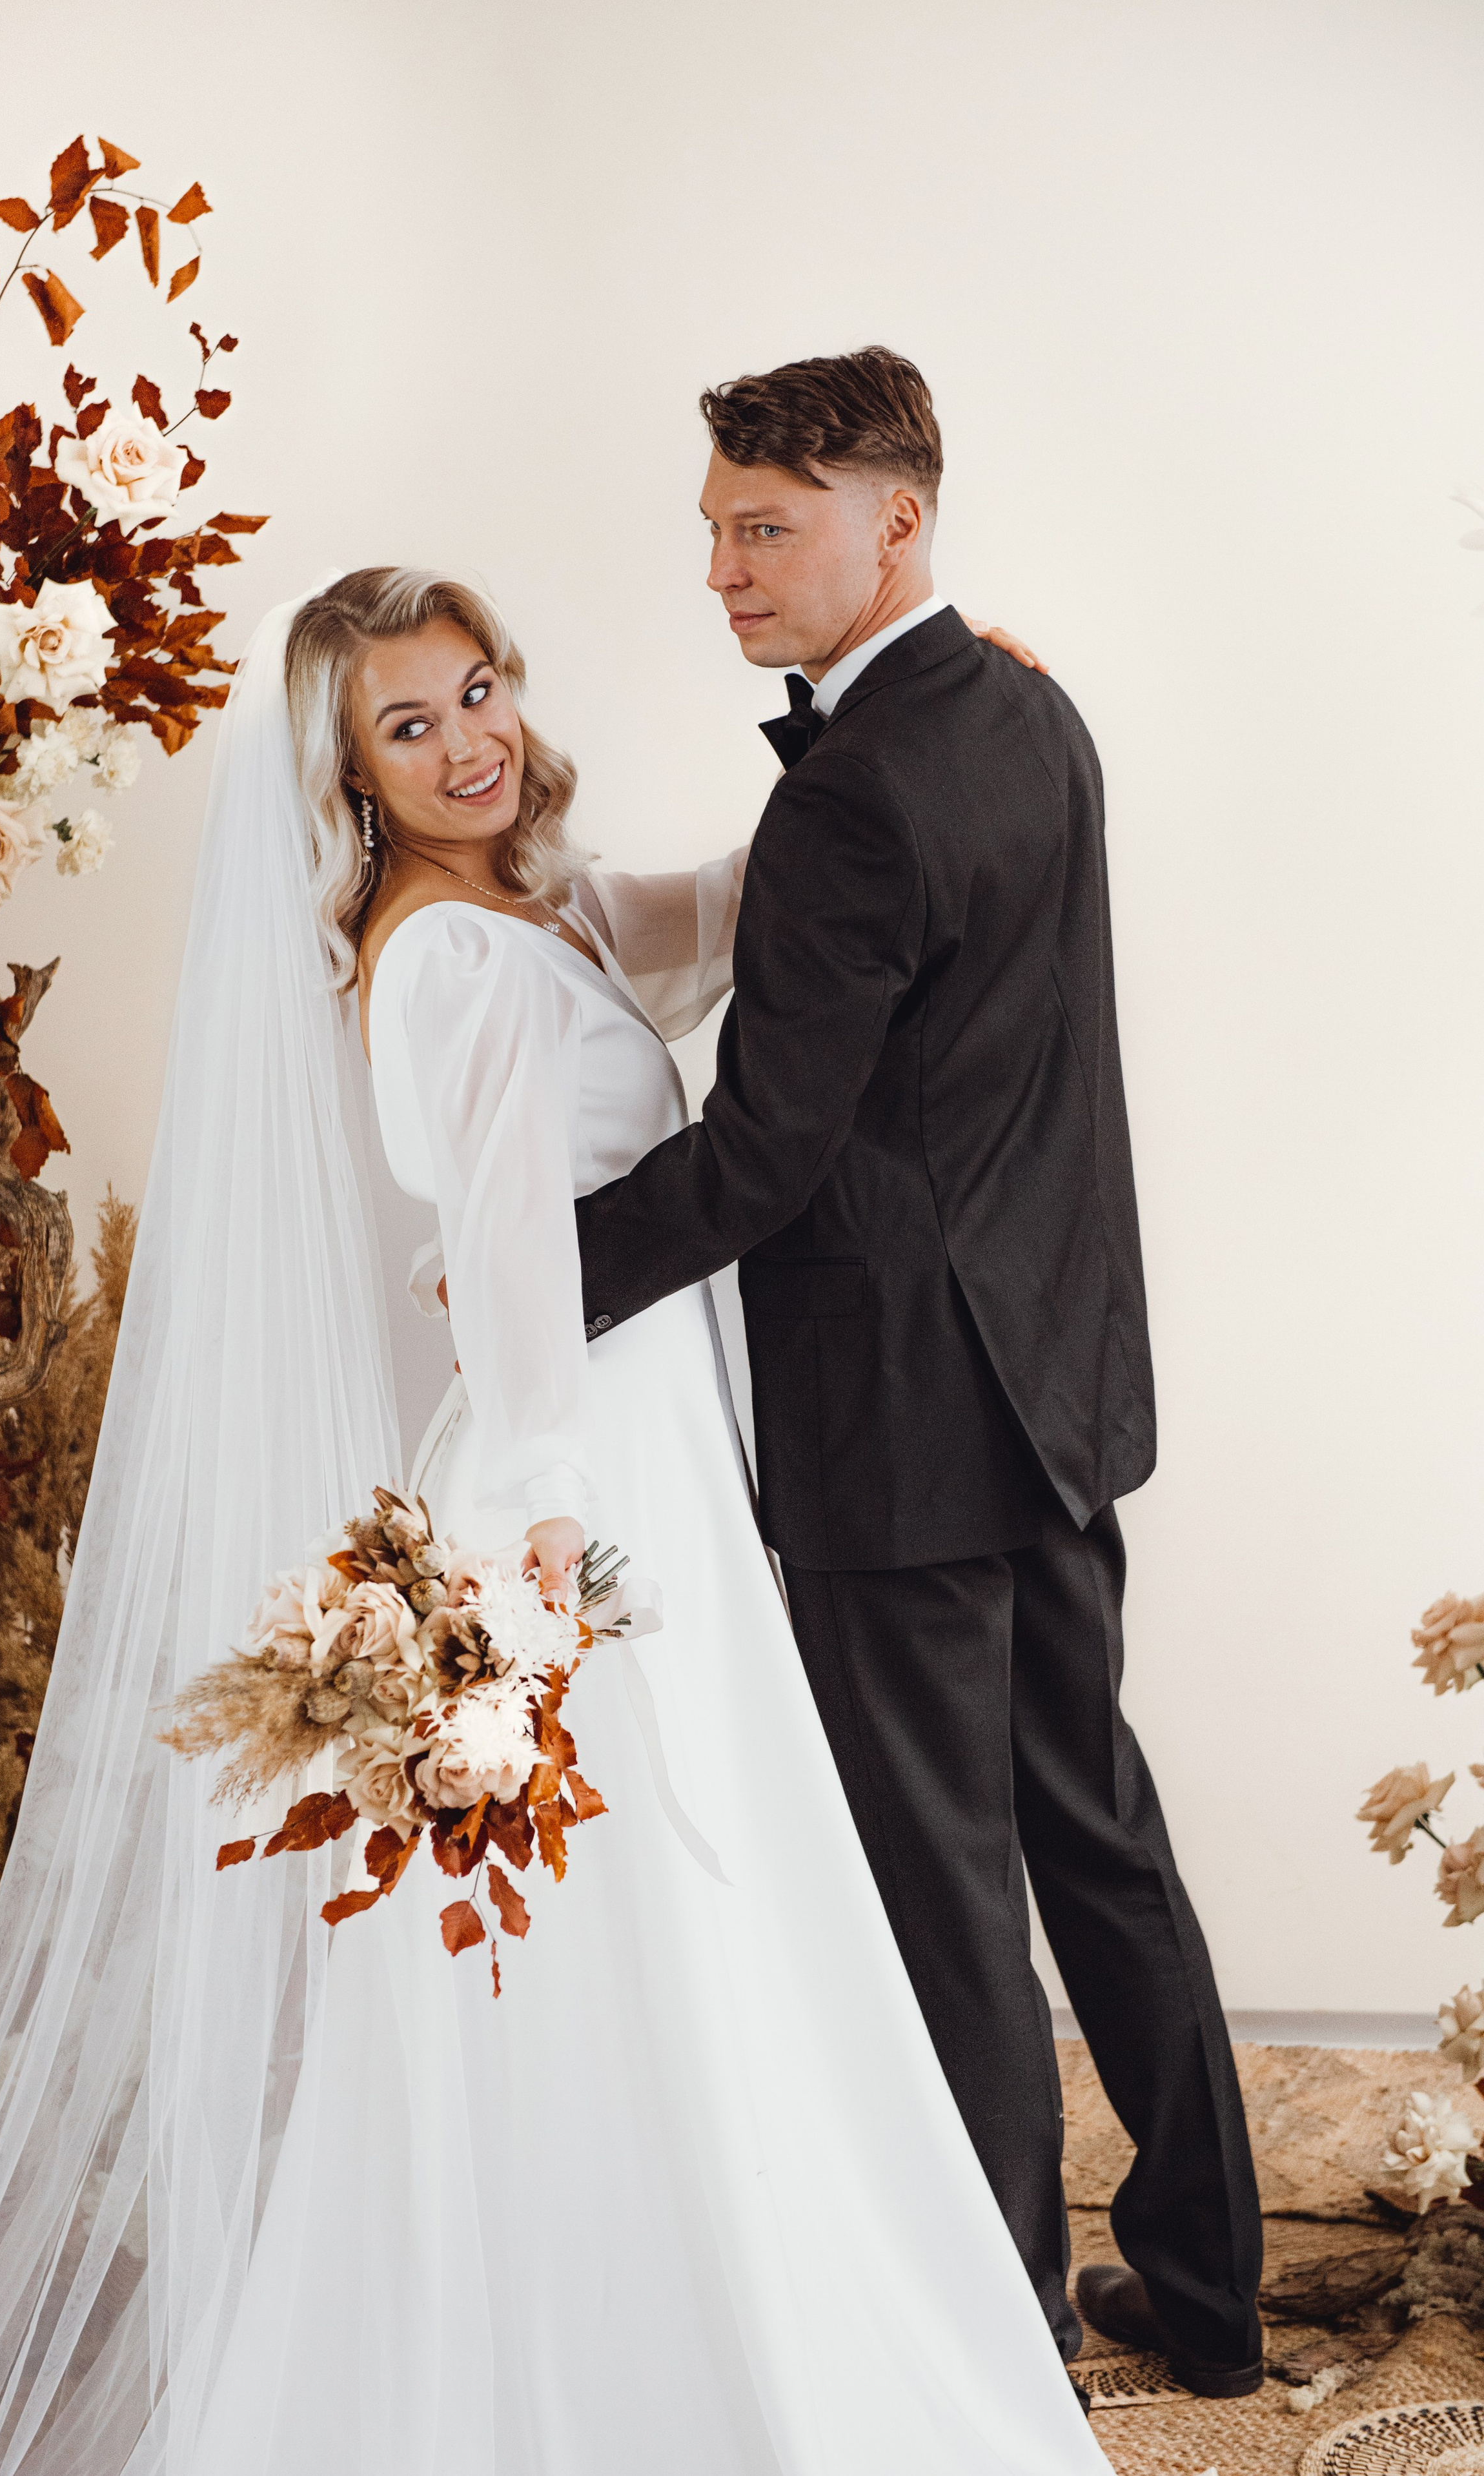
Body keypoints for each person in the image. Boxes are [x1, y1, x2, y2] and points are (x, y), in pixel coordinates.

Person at [0, 569, 1108, 2475]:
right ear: (348, 780)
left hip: (613, 1429)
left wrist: (902, 710)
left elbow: (717, 921)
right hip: (580, 1459)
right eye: (408, 726)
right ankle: (643, 2320)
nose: (468, 740)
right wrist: (560, 1539)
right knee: (659, 1896)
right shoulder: (449, 955)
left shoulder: (531, 901)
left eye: (480, 689)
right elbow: (513, 1263)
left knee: (674, 1896)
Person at [572, 345, 1266, 2397]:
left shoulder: (857, 794)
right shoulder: (1028, 707)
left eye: (766, 528)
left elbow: (766, 1155)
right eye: (711, 531)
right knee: (1095, 1830)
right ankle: (1212, 2292)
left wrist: (536, 1267)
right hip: (1056, 1379)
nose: (724, 570)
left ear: (898, 520)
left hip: (902, 1410)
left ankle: (1001, 2335)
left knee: (946, 1882)